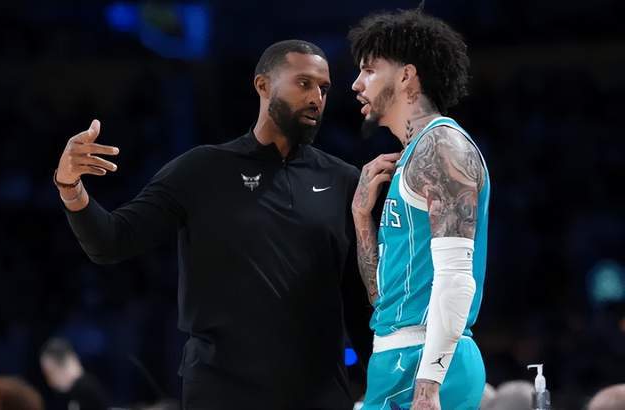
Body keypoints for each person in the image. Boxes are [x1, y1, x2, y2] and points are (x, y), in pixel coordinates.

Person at [53, 39, 371, 409]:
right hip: (222, 392)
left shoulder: (344, 180)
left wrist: (380, 383)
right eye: (304, 83)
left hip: (319, 393)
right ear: (263, 85)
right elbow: (111, 241)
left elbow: (357, 300)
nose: (316, 98)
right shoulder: (201, 170)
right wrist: (69, 185)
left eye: (324, 88)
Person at [348, 8, 489, 410]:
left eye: (369, 70)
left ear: (407, 76)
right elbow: (383, 297)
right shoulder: (415, 156)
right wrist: (361, 218)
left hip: (423, 363)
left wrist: (428, 385)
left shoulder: (442, 147)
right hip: (399, 356)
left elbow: (457, 278)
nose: (357, 84)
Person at [39, 338, 110, 410]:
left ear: (63, 366)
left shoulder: (85, 391)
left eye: (50, 373)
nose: (49, 382)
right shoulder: (78, 391)